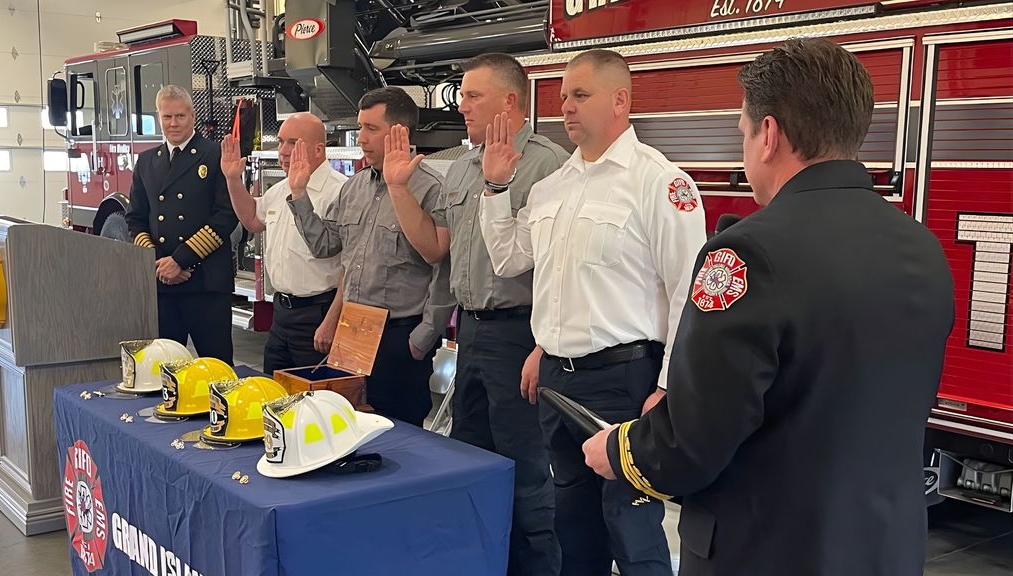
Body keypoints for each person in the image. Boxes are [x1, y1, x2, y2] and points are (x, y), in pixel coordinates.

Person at [582, 38, 955, 576]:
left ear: (769, 135)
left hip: (767, 551)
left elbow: (695, 439)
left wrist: (619, 451)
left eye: (743, 131)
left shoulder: (746, 253)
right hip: (885, 549)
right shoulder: (920, 243)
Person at [479, 49, 707, 576]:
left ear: (620, 100)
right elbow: (512, 259)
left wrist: (670, 389)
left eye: (581, 95)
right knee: (571, 528)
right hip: (559, 380)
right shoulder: (553, 186)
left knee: (631, 526)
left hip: (625, 379)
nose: (566, 107)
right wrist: (494, 189)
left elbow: (688, 296)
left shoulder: (660, 183)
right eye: (562, 96)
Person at [378, 54, 568, 576]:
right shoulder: (463, 164)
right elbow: (436, 247)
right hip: (473, 333)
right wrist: (397, 188)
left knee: (526, 469)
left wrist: (543, 346)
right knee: (469, 457)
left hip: (521, 333)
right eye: (461, 95)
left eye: (472, 96)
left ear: (511, 102)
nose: (461, 106)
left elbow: (563, 268)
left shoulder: (548, 165)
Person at [286, 87, 454, 426]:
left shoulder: (431, 189)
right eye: (360, 127)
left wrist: (422, 337)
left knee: (399, 436)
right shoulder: (355, 186)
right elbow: (326, 247)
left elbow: (444, 268)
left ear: (399, 133)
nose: (360, 137)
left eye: (370, 129)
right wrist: (300, 194)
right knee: (347, 425)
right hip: (353, 332)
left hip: (398, 336)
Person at [220, 112, 347, 373]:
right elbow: (253, 220)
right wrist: (233, 180)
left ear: (319, 149)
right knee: (276, 399)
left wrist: (333, 320)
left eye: (293, 142)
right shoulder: (281, 189)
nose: (283, 151)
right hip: (282, 314)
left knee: (316, 403)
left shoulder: (340, 192)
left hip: (318, 313)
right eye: (280, 142)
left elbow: (352, 265)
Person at [126, 84, 238, 364]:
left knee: (218, 369)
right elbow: (136, 218)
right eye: (167, 117)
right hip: (164, 285)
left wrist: (181, 260)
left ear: (193, 116)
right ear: (159, 118)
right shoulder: (147, 161)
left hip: (206, 284)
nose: (173, 124)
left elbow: (226, 216)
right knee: (165, 370)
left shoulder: (213, 156)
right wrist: (160, 263)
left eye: (180, 116)